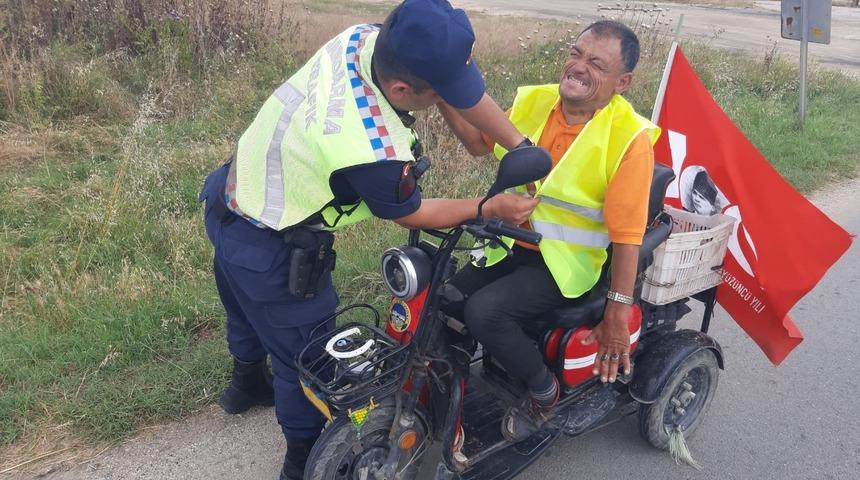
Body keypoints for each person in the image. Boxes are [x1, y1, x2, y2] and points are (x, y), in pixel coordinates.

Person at [197, 1, 543, 478]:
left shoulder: (366, 38)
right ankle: (302, 457)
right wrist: (489, 207)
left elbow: (462, 99)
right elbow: (410, 212)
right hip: (271, 244)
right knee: (308, 357)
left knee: (244, 308)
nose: (449, 99)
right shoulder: (371, 147)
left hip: (232, 193)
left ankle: (245, 385)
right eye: (440, 93)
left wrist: (521, 145)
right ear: (402, 90)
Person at [440, 20, 661, 440]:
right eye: (576, 53)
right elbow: (477, 143)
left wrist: (617, 310)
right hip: (510, 244)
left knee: (485, 312)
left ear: (622, 82)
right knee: (447, 296)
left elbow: (628, 236)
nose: (578, 67)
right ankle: (451, 382)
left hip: (565, 264)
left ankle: (544, 390)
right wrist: (440, 90)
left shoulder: (628, 138)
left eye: (596, 63)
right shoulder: (537, 101)